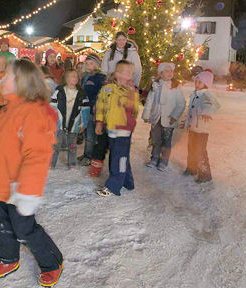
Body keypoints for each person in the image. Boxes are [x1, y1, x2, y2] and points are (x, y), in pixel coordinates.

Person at [0, 59, 64, 288]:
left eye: (7, 76)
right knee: (3, 221)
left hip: (20, 186)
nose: (1, 79)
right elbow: (5, 141)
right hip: (2, 179)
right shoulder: (9, 109)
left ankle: (52, 261)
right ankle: (6, 257)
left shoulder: (33, 113)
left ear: (22, 82)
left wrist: (28, 192)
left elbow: (36, 156)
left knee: (24, 228)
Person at [95, 60, 141, 197]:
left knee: (118, 157)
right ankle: (127, 181)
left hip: (124, 129)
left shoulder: (132, 92)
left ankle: (113, 185)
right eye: (127, 73)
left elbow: (135, 110)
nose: (130, 76)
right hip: (111, 129)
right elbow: (100, 106)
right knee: (119, 155)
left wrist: (131, 94)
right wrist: (99, 122)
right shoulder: (107, 89)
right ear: (117, 74)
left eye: (131, 74)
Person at [142, 62, 186, 171]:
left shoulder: (175, 87)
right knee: (156, 139)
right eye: (166, 71)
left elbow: (181, 103)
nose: (169, 73)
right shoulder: (155, 86)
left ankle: (164, 160)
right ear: (160, 74)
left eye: (171, 71)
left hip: (169, 119)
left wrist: (174, 116)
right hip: (156, 118)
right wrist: (147, 115)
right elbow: (149, 101)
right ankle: (155, 157)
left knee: (166, 141)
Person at [182, 71, 220, 183]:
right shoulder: (195, 94)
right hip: (193, 127)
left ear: (206, 84)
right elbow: (190, 110)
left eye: (200, 82)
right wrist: (186, 123)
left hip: (202, 129)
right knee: (191, 148)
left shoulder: (207, 95)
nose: (197, 84)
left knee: (200, 151)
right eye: (196, 81)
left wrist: (206, 112)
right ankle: (192, 168)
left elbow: (213, 105)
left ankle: (205, 174)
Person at [50, 70, 90, 168]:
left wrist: (83, 124)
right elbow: (52, 105)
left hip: (74, 125)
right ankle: (51, 163)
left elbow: (85, 110)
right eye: (72, 76)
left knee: (72, 146)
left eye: (76, 76)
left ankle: (72, 164)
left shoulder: (81, 94)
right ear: (67, 79)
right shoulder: (59, 91)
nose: (75, 78)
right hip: (59, 124)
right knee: (55, 144)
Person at [78, 54, 107, 166]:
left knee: (91, 135)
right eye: (87, 63)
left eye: (91, 63)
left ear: (97, 65)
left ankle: (90, 156)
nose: (88, 65)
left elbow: (101, 93)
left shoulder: (100, 77)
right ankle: (86, 153)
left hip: (93, 109)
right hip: (85, 108)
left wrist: (96, 106)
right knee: (86, 132)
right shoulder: (85, 76)